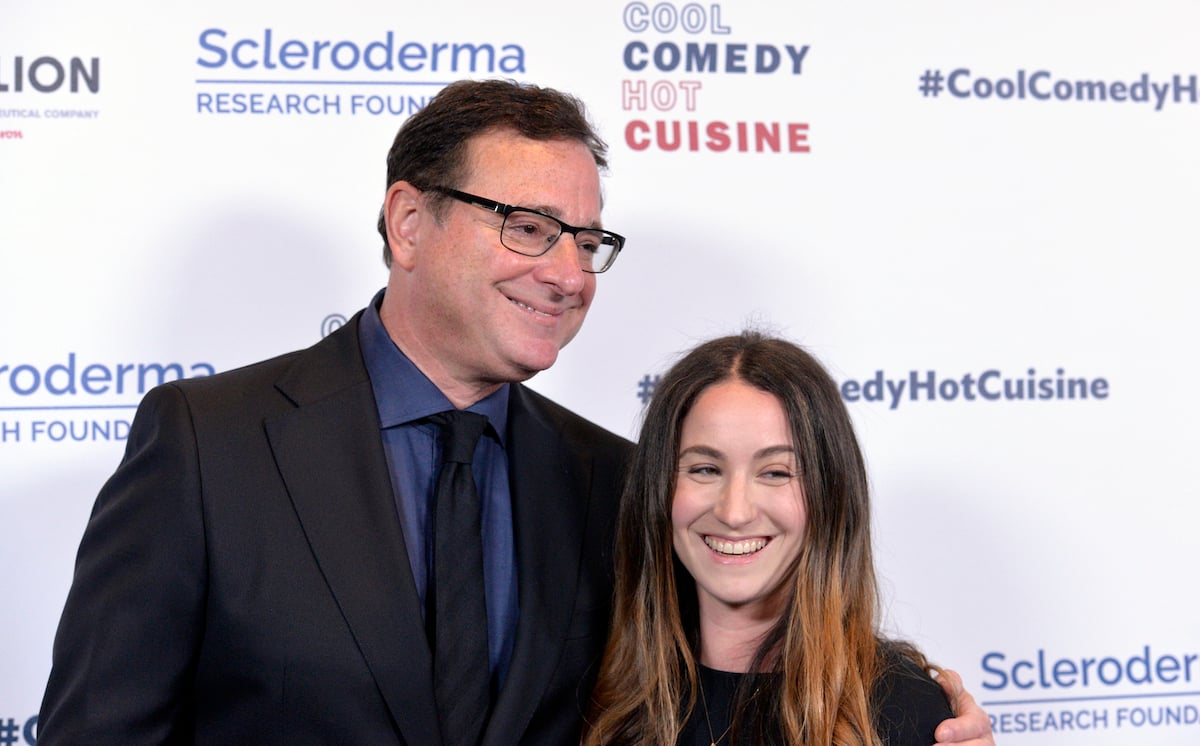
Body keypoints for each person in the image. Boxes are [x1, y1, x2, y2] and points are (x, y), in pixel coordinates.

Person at [36, 80, 994, 745]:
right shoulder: (212, 443)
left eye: (586, 240)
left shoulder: (612, 478)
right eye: (528, 228)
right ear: (409, 223)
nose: (567, 273)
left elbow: (742, 671)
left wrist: (911, 709)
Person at [584, 331, 970, 745]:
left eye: (775, 473)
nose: (734, 512)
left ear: (830, 497)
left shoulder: (903, 710)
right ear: (659, 489)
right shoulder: (608, 698)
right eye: (705, 469)